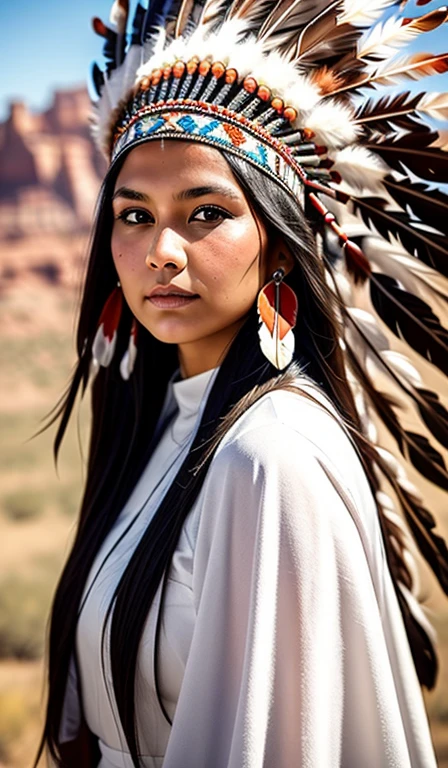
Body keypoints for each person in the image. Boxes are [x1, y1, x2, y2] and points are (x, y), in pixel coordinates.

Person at [36, 0, 448, 765]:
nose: (161, 250)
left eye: (205, 213)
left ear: (281, 247)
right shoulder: (163, 423)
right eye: (133, 215)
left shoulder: (270, 457)